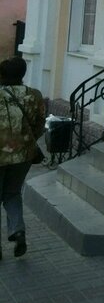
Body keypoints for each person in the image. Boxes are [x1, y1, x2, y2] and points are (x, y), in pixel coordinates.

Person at [0, 56, 45, 258]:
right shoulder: (34, 95)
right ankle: (18, 230)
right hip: (23, 155)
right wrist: (26, 141)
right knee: (12, 193)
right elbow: (40, 124)